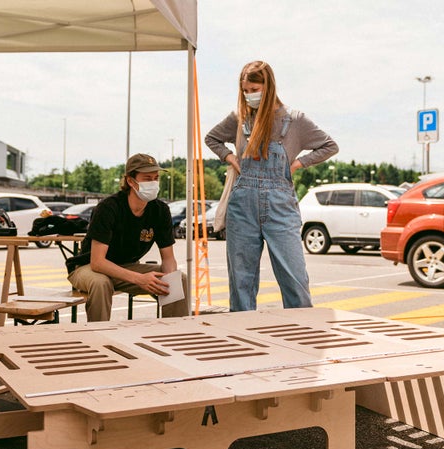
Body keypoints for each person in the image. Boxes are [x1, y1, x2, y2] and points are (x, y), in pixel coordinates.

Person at [205, 61, 339, 311]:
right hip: (242, 207)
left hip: (281, 206)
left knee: (294, 278)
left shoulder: (294, 120)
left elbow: (329, 145)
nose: (248, 95)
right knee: (241, 281)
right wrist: (230, 157)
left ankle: (303, 336)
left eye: (253, 89)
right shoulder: (239, 118)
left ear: (268, 87)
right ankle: (244, 336)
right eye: (244, 91)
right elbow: (211, 138)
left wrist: (298, 163)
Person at [67, 153, 190, 322]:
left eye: (156, 178)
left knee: (178, 279)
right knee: (101, 283)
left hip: (127, 267)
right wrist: (139, 279)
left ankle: (174, 333)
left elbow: (168, 259)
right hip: (88, 267)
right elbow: (98, 262)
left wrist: (169, 281)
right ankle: (99, 335)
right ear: (131, 181)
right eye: (147, 178)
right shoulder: (108, 208)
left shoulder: (160, 210)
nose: (153, 183)